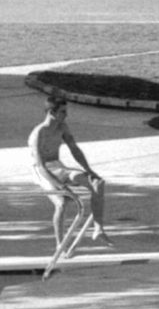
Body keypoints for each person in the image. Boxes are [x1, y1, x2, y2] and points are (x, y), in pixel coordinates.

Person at [27, 93, 110, 246]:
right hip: (42, 171)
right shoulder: (38, 133)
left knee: (97, 183)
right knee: (62, 203)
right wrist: (61, 186)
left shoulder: (62, 127)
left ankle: (98, 229)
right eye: (63, 112)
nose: (66, 115)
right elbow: (40, 165)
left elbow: (75, 150)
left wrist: (88, 170)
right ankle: (60, 244)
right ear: (52, 113)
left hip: (58, 166)